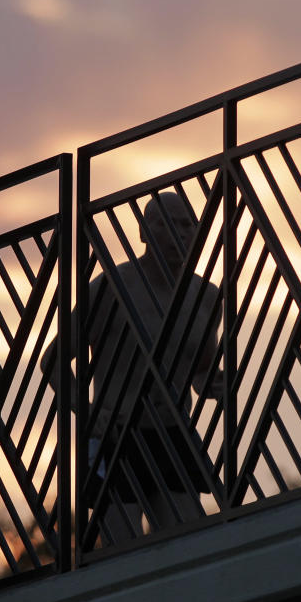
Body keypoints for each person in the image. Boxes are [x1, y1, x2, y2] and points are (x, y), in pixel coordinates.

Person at [43, 191, 224, 543]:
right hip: (117, 436)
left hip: (172, 432)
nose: (179, 233)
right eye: (166, 223)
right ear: (143, 231)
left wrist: (215, 383)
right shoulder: (112, 288)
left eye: (188, 224)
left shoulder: (207, 296)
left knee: (187, 543)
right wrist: (91, 413)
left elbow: (200, 371)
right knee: (120, 553)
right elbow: (53, 361)